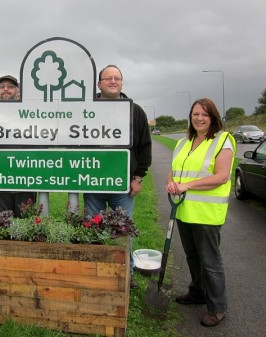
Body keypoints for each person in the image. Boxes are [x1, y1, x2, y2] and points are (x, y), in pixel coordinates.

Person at [166, 98, 235, 327]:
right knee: (192, 256)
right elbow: (173, 170)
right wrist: (171, 183)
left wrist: (186, 186)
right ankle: (197, 293)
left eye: (204, 114)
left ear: (213, 117)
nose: (199, 118)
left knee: (210, 262)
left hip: (206, 213)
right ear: (190, 117)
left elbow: (221, 176)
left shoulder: (223, 140)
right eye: (195, 114)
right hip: (184, 210)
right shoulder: (184, 142)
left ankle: (217, 308)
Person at [83, 65, 152, 289]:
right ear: (99, 83)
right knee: (94, 229)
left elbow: (144, 147)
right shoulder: (85, 108)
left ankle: (126, 275)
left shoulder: (135, 111)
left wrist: (138, 177)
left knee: (122, 231)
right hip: (92, 182)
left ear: (122, 83)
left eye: (117, 78)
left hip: (122, 184)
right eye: (108, 78)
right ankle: (97, 273)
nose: (113, 81)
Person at [0, 75, 36, 217]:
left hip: (25, 177)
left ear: (17, 90)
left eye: (10, 87)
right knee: (4, 220)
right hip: (0, 178)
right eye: (2, 87)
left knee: (24, 220)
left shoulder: (29, 112)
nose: (6, 90)